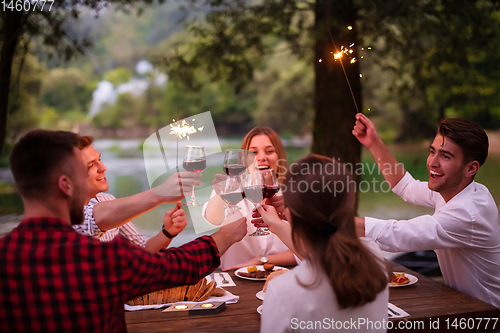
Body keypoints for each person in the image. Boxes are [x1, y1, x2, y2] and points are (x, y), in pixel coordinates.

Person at [0, 129, 247, 332]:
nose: (103, 169)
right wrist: (224, 236)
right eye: (83, 170)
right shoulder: (101, 259)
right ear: (66, 185)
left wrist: (167, 232)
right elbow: (178, 266)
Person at [352, 113, 500, 307]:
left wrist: (326, 219)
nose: (432, 162)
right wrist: (374, 143)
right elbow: (406, 187)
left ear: (471, 169)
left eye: (445, 156)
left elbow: (397, 234)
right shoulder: (459, 189)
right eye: (433, 151)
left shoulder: (468, 212)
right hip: (462, 307)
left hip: (487, 318)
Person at [256, 155, 389, 333]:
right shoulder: (374, 259)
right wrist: (280, 224)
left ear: (292, 214)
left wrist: (280, 224)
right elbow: (322, 252)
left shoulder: (283, 290)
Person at [73, 136, 197, 252]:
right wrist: (159, 193)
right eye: (91, 165)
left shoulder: (106, 199)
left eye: (100, 160)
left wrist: (168, 232)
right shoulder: (64, 214)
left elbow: (142, 248)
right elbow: (93, 218)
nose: (103, 168)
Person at [203, 126, 297, 270]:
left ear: (279, 156)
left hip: (281, 277)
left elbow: (307, 252)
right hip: (235, 281)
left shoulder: (293, 195)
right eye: (253, 152)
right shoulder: (231, 192)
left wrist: (261, 261)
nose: (262, 157)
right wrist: (220, 194)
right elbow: (212, 219)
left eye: (270, 151)